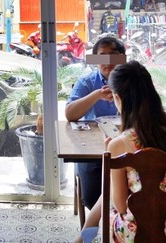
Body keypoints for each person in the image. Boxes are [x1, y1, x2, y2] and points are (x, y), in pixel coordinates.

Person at [77, 61, 166, 243]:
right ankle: (81, 239)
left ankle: (83, 239)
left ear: (118, 97)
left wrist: (110, 160)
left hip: (137, 234)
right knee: (106, 194)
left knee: (107, 196)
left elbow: (121, 207)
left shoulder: (120, 144)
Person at [65, 35, 127, 214]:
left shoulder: (131, 81)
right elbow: (70, 114)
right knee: (92, 196)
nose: (108, 61)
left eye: (113, 55)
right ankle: (103, 214)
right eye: (102, 56)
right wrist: (97, 95)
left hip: (125, 144)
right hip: (93, 148)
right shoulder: (87, 81)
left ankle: (121, 212)